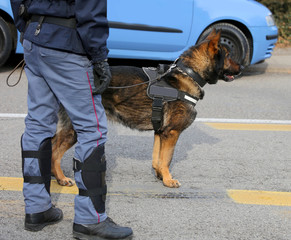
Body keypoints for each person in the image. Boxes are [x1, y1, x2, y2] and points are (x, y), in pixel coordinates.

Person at [10, 0, 133, 239]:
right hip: (65, 45)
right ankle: (90, 221)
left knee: (38, 125)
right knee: (92, 130)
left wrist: (26, 29)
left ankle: (37, 209)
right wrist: (99, 58)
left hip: (35, 40)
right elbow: (91, 9)